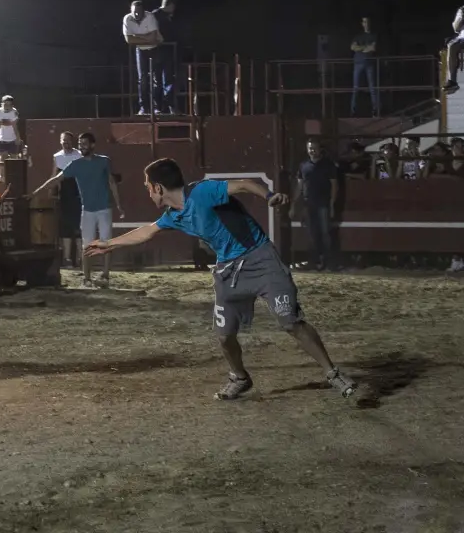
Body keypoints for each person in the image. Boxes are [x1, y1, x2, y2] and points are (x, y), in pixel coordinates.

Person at [84, 158, 357, 401]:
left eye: (147, 186)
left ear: (158, 187)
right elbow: (147, 231)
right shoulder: (174, 215)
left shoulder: (201, 192)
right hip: (228, 270)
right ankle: (240, 377)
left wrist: (269, 195)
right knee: (225, 335)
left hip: (261, 259)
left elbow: (244, 185)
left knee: (290, 321)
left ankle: (332, 373)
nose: (147, 191)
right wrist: (110, 244)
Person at [28, 132, 123, 287]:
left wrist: (118, 204)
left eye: (84, 144)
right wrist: (35, 193)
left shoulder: (104, 161)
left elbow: (111, 182)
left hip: (104, 208)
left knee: (106, 243)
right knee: (87, 245)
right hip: (87, 210)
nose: (81, 146)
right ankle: (87, 278)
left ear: (92, 145)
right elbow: (56, 179)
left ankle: (105, 275)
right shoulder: (76, 164)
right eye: (80, 144)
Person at [293, 138, 338, 270]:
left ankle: (329, 262)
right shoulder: (303, 166)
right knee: (312, 234)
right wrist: (294, 204)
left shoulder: (328, 165)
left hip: (324, 203)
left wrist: (332, 204)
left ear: (320, 149)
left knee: (325, 233)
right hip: (309, 204)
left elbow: (334, 186)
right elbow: (299, 187)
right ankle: (315, 261)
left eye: (314, 148)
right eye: (310, 148)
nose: (312, 151)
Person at [52, 132, 83, 268]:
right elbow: (54, 176)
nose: (66, 143)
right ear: (60, 141)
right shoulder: (57, 157)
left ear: (73, 141)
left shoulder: (79, 155)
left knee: (79, 228)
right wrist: (52, 191)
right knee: (65, 228)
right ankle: (67, 259)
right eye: (64, 140)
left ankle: (81, 259)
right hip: (64, 195)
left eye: (68, 140)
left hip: (78, 194)